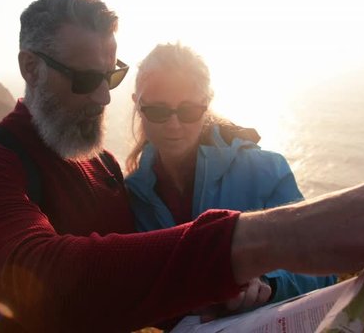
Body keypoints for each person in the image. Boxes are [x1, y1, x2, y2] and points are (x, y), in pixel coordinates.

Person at [0, 0, 364, 332]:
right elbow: (42, 281)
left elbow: (144, 276)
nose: (103, 99)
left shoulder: (104, 169)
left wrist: (234, 292)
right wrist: (281, 234)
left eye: (111, 77)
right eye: (85, 79)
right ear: (29, 67)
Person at [125, 43, 335, 316]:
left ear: (206, 105)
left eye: (188, 111)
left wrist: (270, 284)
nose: (174, 125)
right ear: (138, 106)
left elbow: (322, 269)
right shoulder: (133, 195)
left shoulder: (266, 170)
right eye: (158, 111)